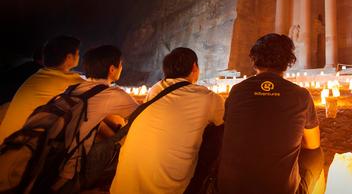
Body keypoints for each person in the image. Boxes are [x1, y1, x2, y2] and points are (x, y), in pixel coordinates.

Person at [218, 34, 323, 194]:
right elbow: (313, 144)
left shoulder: (237, 91)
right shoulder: (301, 95)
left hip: (228, 189)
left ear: (253, 60)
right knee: (316, 155)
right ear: (288, 62)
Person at [111, 47, 224, 194]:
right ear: (195, 67)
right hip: (166, 189)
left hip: (123, 186)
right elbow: (223, 125)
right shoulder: (208, 98)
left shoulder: (155, 90)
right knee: (218, 133)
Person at [53, 45, 139, 193]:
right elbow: (142, 116)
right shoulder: (113, 94)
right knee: (128, 130)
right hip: (70, 177)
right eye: (121, 64)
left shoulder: (73, 88)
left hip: (50, 167)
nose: (121, 67)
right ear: (112, 69)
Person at [0, 36, 84, 143]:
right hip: (17, 149)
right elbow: (96, 92)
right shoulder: (69, 80)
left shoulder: (38, 75)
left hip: (5, 141)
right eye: (77, 54)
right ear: (69, 58)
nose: (79, 56)